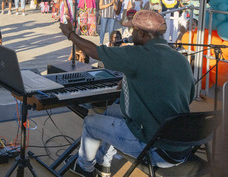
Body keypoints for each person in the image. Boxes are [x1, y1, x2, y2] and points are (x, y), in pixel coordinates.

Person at [60, 10, 195, 177]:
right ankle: (103, 163)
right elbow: (188, 97)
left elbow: (95, 52)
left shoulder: (138, 54)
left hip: (154, 148)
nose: (131, 34)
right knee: (112, 112)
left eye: (133, 30)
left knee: (90, 122)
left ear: (142, 33)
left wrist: (70, 34)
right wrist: (134, 83)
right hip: (181, 145)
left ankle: (84, 168)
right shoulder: (180, 58)